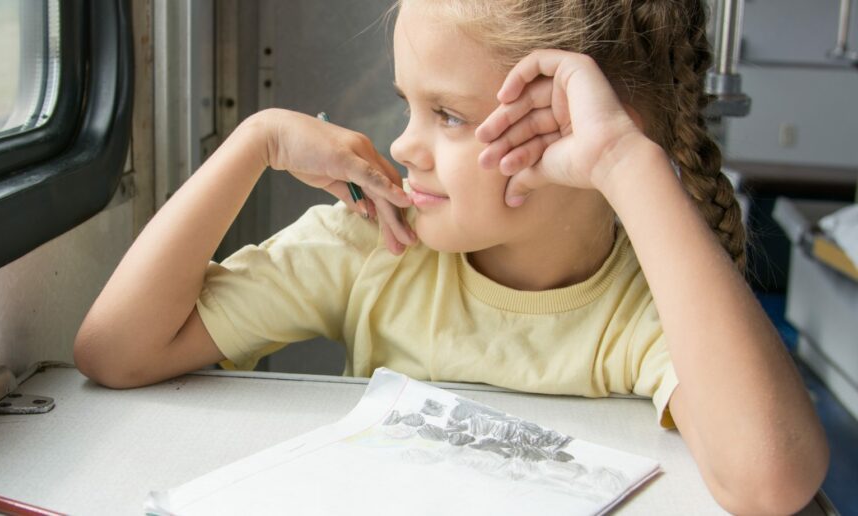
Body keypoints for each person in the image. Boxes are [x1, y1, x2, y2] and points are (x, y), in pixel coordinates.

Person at [74, 0, 829, 512]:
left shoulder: (645, 304)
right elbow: (115, 350)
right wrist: (257, 141)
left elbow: (773, 481)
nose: (404, 145)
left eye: (448, 115)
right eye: (408, 105)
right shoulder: (375, 245)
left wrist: (625, 162)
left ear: (576, 128)